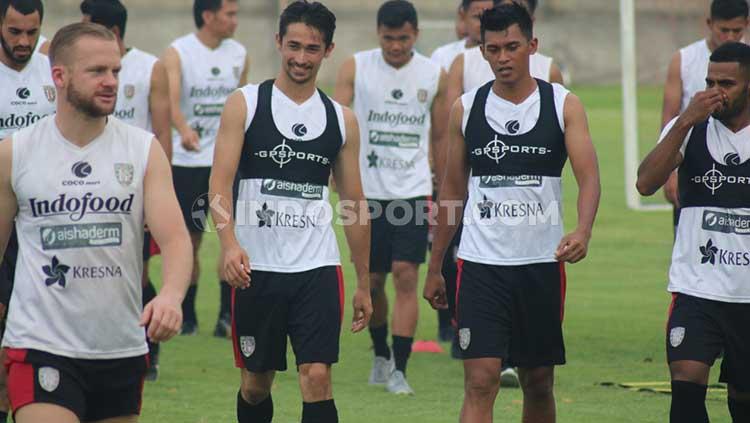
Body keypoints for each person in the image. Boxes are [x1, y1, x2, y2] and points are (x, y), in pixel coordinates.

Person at [0, 22, 192, 423]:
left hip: (119, 347)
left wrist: (172, 295)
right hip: (39, 343)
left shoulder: (142, 151)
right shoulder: (16, 153)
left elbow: (175, 240)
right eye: (97, 72)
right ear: (60, 76)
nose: (111, 82)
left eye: (116, 71)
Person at [424, 4, 600, 423]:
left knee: (537, 381)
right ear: (482, 51)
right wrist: (435, 266)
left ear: (532, 46)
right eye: (494, 49)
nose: (503, 57)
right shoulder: (466, 109)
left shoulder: (563, 105)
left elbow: (589, 177)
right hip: (481, 267)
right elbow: (451, 191)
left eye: (512, 47)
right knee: (480, 381)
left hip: (540, 265)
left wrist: (583, 229)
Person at [210, 2, 372, 421]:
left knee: (316, 375)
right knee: (255, 384)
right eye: (294, 46)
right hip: (256, 270)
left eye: (312, 49)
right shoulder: (244, 104)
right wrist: (228, 243)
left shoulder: (341, 120)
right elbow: (219, 184)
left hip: (317, 269)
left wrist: (364, 283)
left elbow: (354, 204)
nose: (301, 58)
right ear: (278, 42)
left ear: (328, 50)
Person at [333, 0, 448, 395]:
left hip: (413, 190)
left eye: (403, 38)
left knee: (406, 274)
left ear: (415, 34)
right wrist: (335, 171)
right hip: (366, 191)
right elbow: (336, 121)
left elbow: (440, 133)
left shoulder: (434, 73)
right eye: (388, 38)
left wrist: (443, 176)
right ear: (377, 34)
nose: (395, 46)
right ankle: (380, 353)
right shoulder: (356, 66)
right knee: (374, 279)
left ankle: (400, 367)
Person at [637, 41, 750, 423]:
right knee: (685, 386)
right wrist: (685, 120)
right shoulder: (689, 128)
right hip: (697, 289)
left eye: (728, 83)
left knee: (743, 399)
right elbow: (645, 183)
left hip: (747, 292)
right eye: (710, 82)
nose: (715, 92)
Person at [80, 0, 173, 382]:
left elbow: (162, 132)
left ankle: (148, 347)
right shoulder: (78, 66)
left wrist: (158, 195)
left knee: (135, 271)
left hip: (132, 188)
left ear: (112, 33)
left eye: (88, 27)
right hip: (85, 186)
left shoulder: (151, 67)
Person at [163, 0, 249, 337]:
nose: (235, 21)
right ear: (209, 16)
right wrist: (184, 130)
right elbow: (168, 101)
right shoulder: (178, 52)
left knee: (233, 235)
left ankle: (227, 316)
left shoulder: (240, 53)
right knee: (191, 240)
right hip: (189, 163)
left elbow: (244, 103)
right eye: (230, 14)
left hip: (228, 161)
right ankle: (187, 315)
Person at [0, 0, 54, 420]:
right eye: (15, 31)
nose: (24, 42)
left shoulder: (54, 67)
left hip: (44, 218)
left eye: (31, 33)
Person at [661, 0, 748, 232]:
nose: (730, 37)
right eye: (723, 30)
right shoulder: (684, 59)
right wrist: (670, 173)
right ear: (710, 24)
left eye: (737, 30)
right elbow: (670, 115)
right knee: (691, 232)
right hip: (694, 156)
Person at [431, 0, 494, 73]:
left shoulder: (503, 58)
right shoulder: (442, 56)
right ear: (463, 17)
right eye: (477, 17)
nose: (483, 23)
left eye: (489, 16)